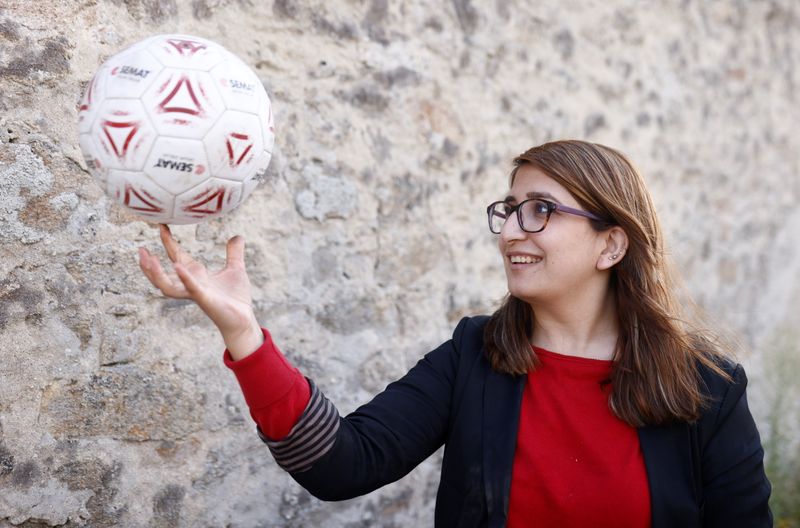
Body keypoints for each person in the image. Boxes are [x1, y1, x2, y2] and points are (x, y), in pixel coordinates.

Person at [138, 140, 772, 527]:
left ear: (611, 244)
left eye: (541, 210)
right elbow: (341, 465)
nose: (510, 231)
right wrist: (244, 333)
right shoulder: (477, 355)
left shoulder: (706, 388)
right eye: (509, 209)